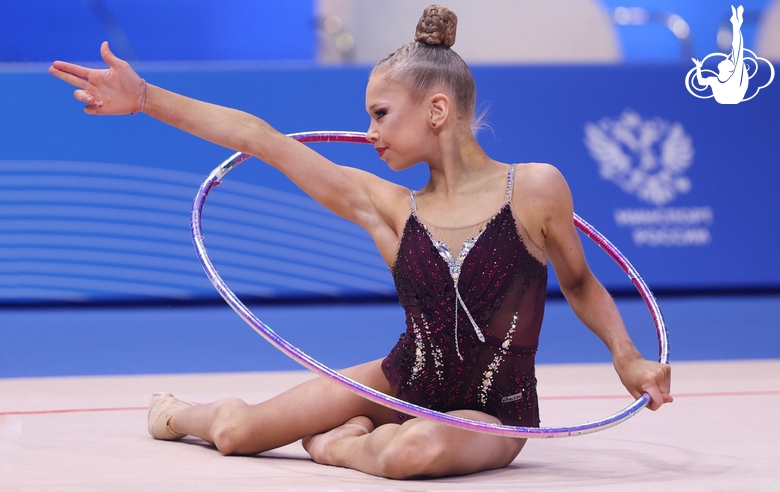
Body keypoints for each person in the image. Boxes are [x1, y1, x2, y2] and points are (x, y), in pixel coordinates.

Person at [49, 5, 672, 480]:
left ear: (435, 111)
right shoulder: (389, 207)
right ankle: (183, 413)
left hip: (495, 413)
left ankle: (340, 445)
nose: (368, 131)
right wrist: (145, 99)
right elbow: (263, 138)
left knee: (415, 451)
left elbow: (581, 282)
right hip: (400, 381)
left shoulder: (536, 189)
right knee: (240, 433)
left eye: (380, 113)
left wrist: (626, 357)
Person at [692, 5, 748, 104]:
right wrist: (698, 67)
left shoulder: (734, 79)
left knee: (737, 52)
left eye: (727, 62)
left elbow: (737, 50)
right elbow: (700, 82)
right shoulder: (714, 80)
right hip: (721, 105)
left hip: (734, 101)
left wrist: (736, 26)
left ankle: (736, 24)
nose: (725, 60)